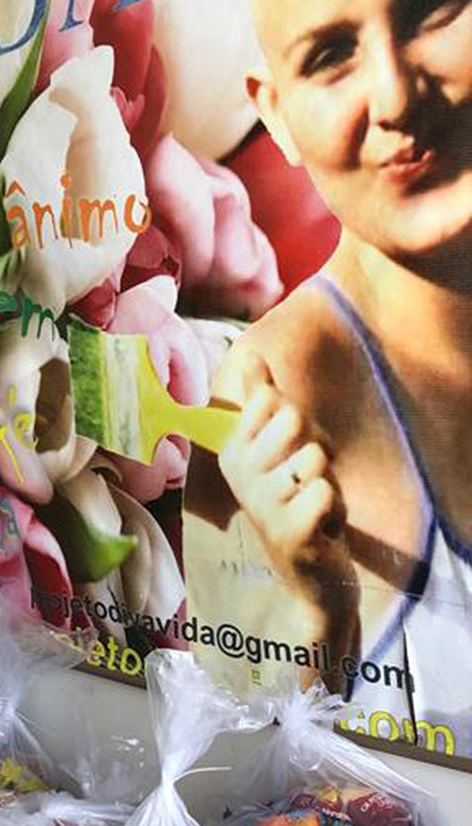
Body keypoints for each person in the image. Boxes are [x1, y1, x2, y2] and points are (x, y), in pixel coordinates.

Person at [183, 0, 472, 756]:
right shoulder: (265, 400)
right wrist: (319, 610)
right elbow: (240, 782)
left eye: (432, 12)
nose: (398, 97)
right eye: (331, 54)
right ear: (272, 113)